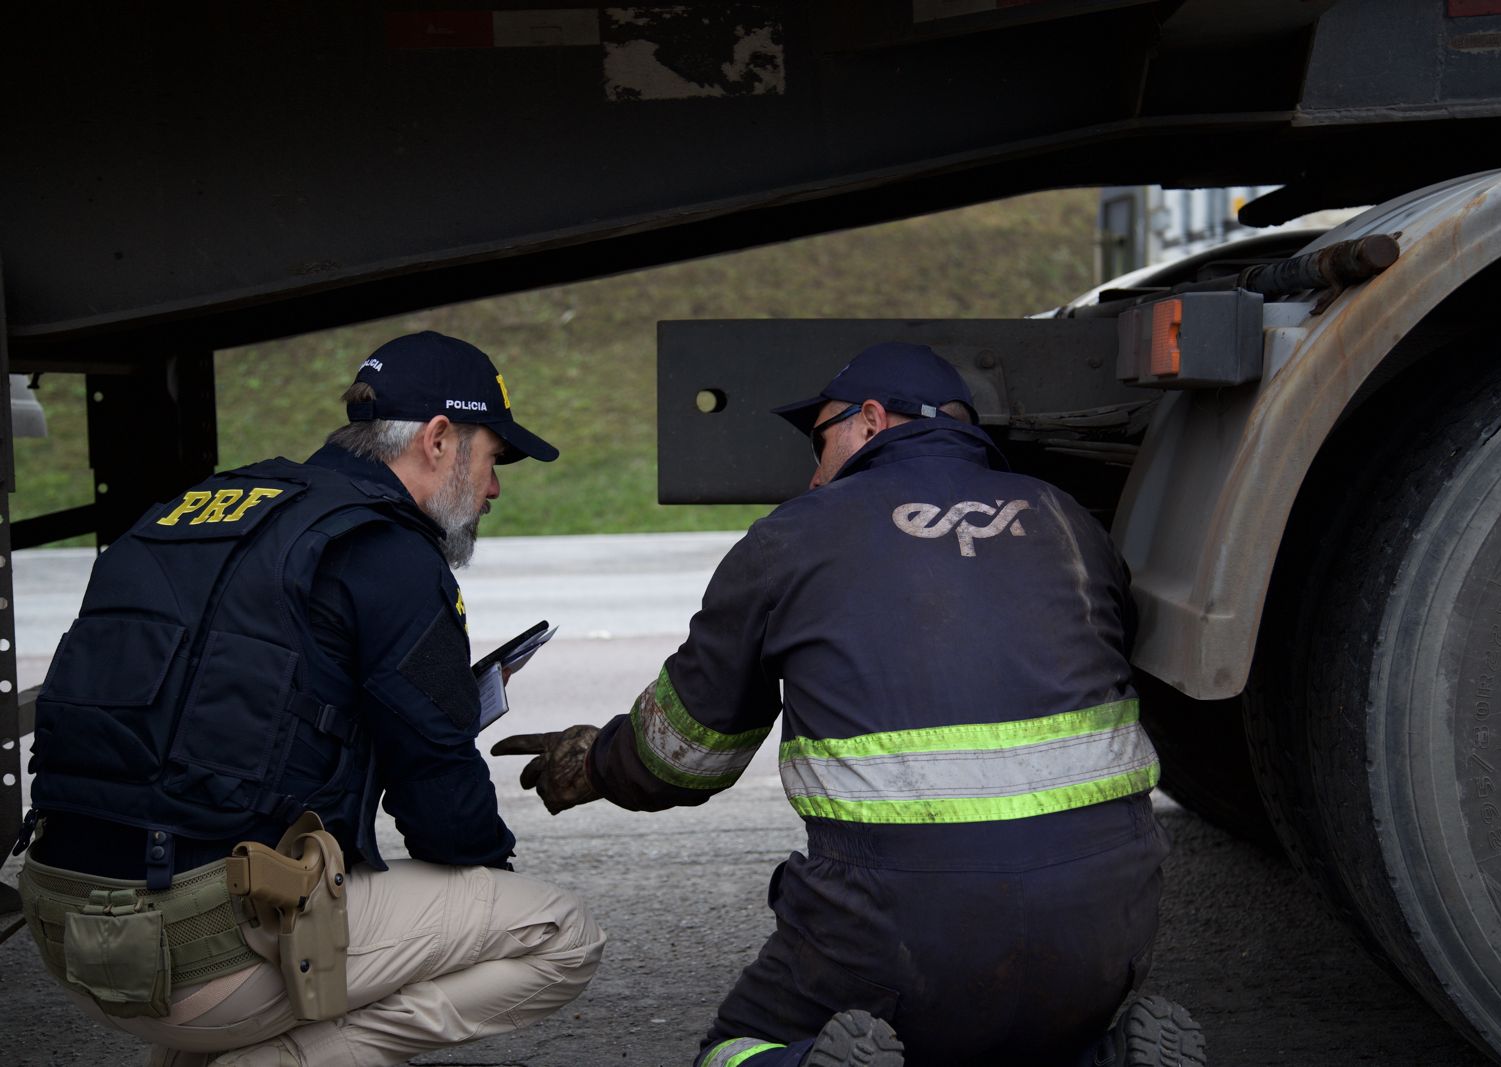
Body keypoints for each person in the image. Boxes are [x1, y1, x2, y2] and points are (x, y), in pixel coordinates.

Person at [492, 342, 1205, 1067]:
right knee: (1016, 1023)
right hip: (1106, 927)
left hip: (895, 932)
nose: (813, 469)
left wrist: (595, 760)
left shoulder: (793, 537)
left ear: (870, 420)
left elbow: (689, 753)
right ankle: (1112, 1055)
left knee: (733, 1050)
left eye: (819, 438)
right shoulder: (1068, 522)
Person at [14, 331, 605, 1067]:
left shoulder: (208, 507)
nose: (493, 487)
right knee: (559, 934)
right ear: (440, 439)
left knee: (220, 857)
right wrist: (487, 885)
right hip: (197, 956)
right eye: (492, 458)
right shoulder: (386, 551)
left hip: (62, 928)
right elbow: (443, 811)